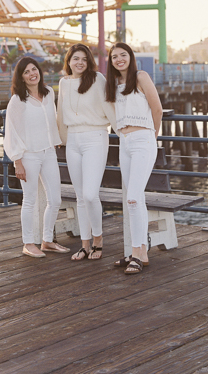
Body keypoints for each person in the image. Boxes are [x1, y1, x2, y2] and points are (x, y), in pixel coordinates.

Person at [105, 42, 163, 275]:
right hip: (124, 142)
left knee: (132, 199)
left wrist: (152, 135)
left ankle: (138, 253)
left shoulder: (141, 76)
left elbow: (157, 108)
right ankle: (139, 253)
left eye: (123, 55)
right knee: (134, 199)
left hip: (142, 139)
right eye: (114, 56)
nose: (119, 59)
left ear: (130, 56)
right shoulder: (114, 84)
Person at [4, 57, 70, 258]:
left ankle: (47, 241)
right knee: (30, 200)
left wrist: (57, 138)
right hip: (28, 155)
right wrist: (17, 161)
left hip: (49, 152)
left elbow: (54, 119)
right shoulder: (17, 100)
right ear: (21, 77)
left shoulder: (49, 93)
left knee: (55, 199)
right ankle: (28, 243)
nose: (32, 73)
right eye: (26, 72)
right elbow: (11, 131)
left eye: (34, 69)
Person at [57, 43, 116, 262]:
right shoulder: (63, 83)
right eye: (75, 59)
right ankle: (84, 245)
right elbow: (60, 113)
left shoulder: (97, 79)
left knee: (91, 194)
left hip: (95, 136)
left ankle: (98, 240)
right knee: (80, 197)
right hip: (73, 139)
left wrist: (121, 129)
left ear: (88, 61)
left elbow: (110, 105)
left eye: (83, 59)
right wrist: (60, 140)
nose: (79, 62)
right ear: (69, 61)